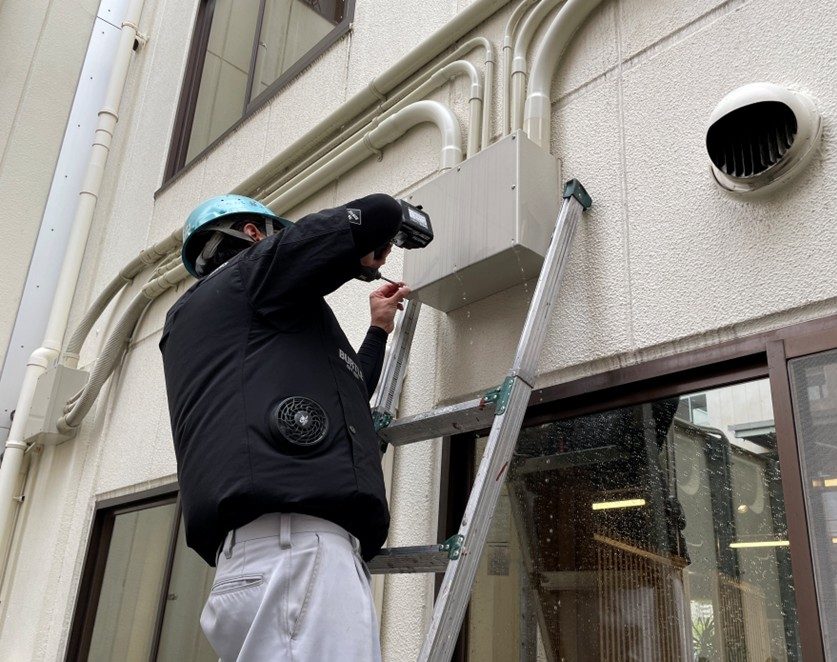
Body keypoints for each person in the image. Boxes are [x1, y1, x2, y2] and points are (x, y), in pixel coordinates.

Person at [159, 192, 410, 661]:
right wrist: (377, 238)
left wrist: (377, 330)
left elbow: (348, 394)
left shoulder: (230, 323)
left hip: (263, 564)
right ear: (254, 234)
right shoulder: (248, 280)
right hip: (297, 554)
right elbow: (377, 212)